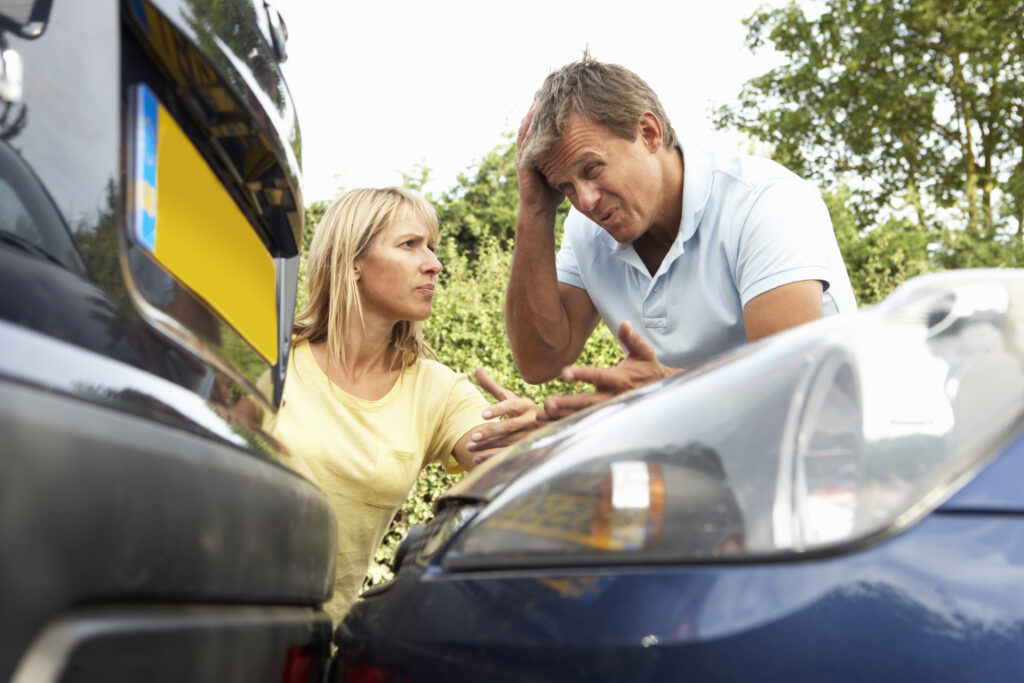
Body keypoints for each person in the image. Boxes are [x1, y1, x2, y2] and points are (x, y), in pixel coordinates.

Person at [506, 55, 857, 417]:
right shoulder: (585, 230)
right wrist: (535, 210)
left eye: (591, 168)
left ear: (649, 133)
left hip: (832, 447)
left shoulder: (764, 201)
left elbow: (791, 386)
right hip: (703, 453)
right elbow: (539, 362)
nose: (585, 200)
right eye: (564, 187)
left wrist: (655, 396)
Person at [260, 187, 539, 621]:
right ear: (352, 262)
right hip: (215, 625)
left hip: (317, 650)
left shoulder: (437, 390)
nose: (434, 264)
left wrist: (534, 444)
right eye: (410, 245)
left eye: (432, 247)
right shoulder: (270, 357)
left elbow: (512, 475)